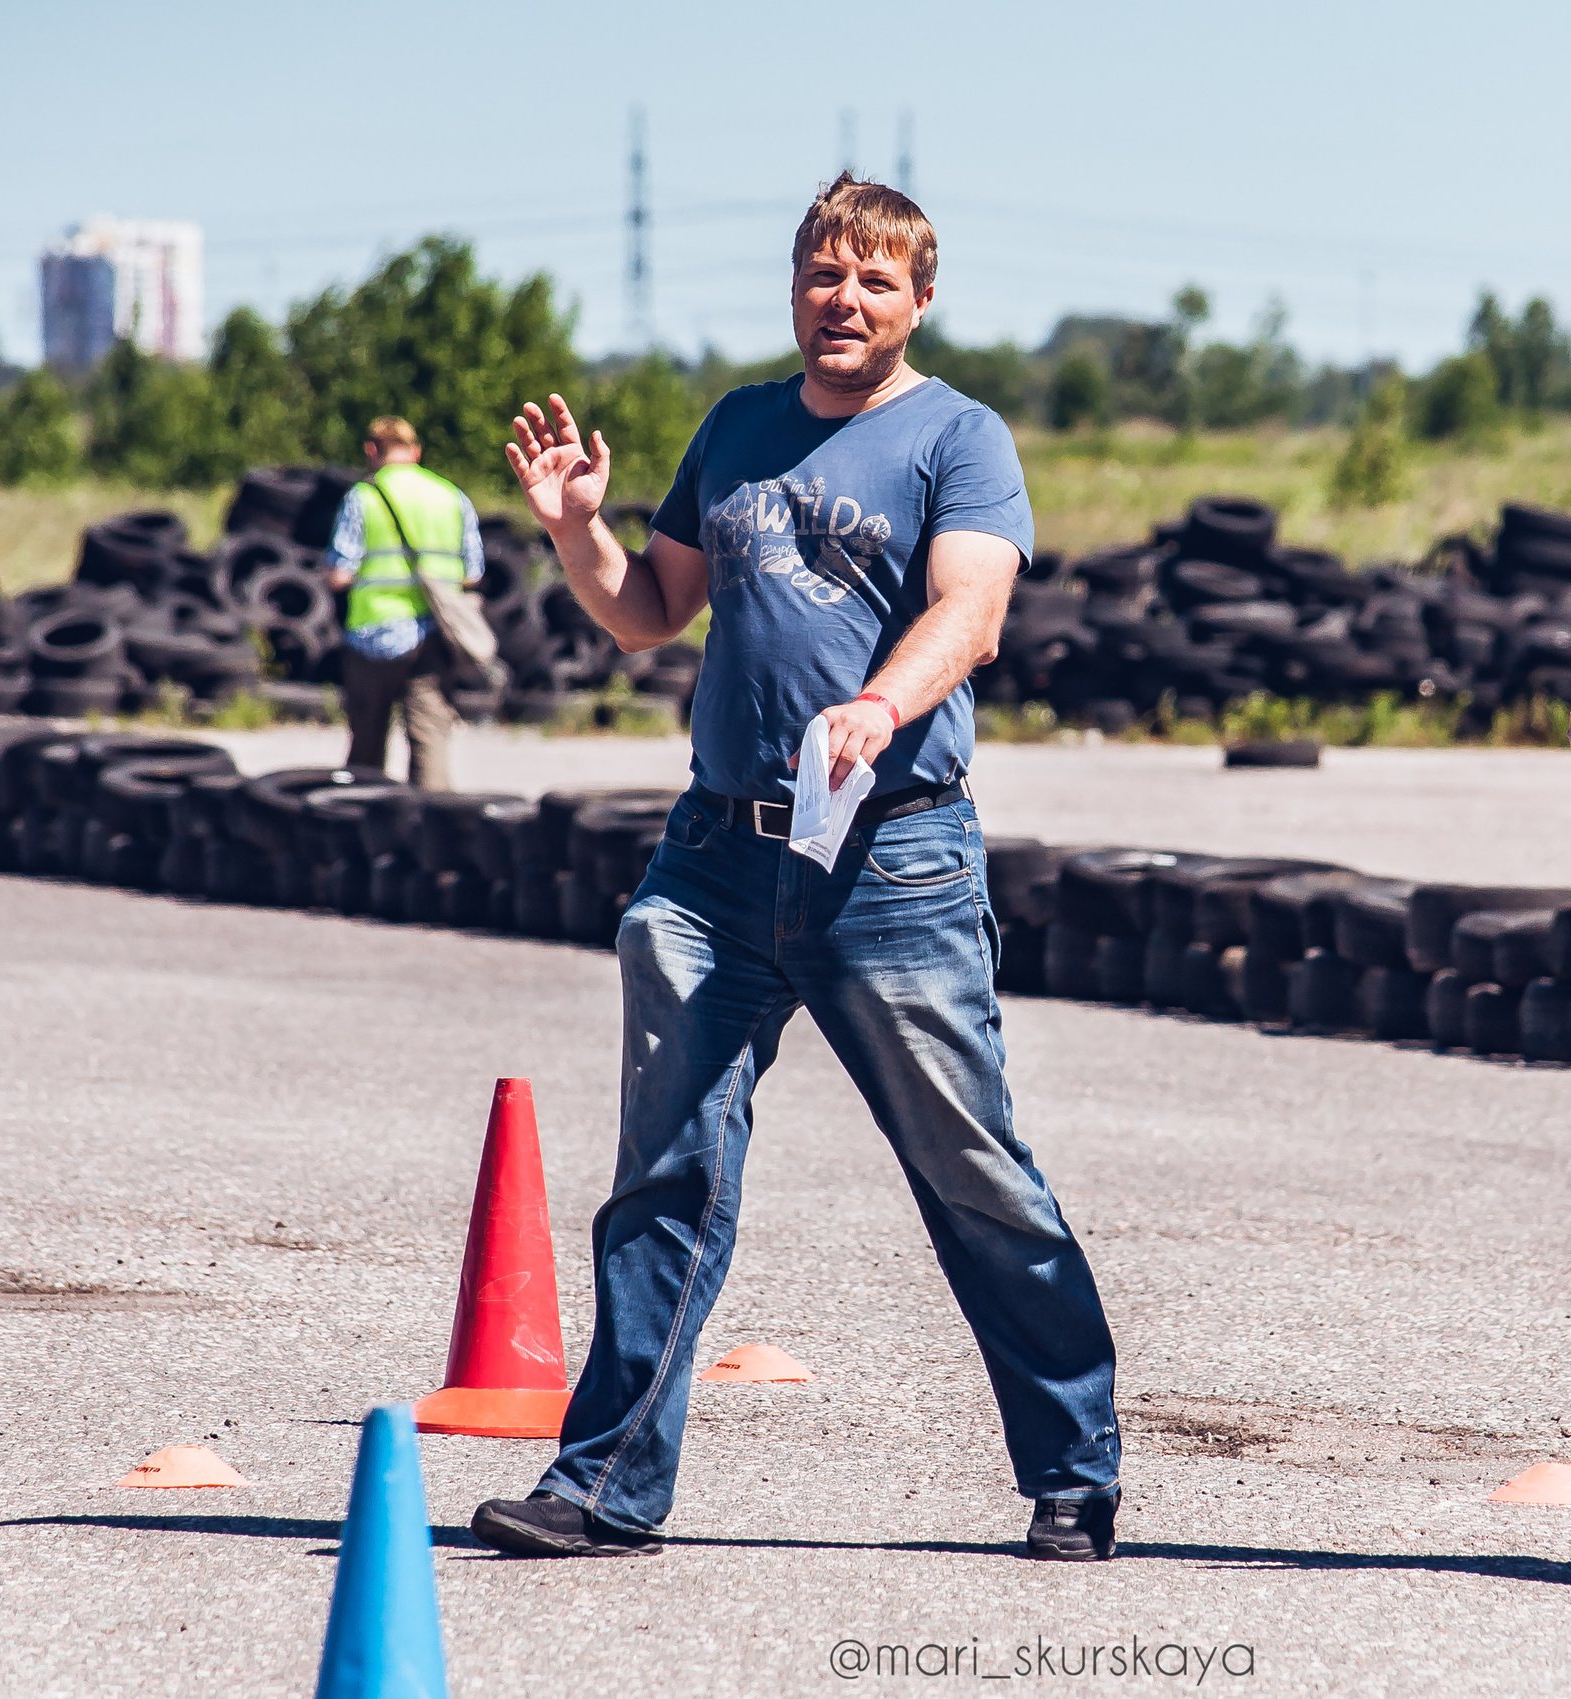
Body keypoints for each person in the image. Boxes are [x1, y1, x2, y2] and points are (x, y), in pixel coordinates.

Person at [468, 174, 1125, 1562]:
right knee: (664, 1173)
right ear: (795, 286)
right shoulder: (740, 427)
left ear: (918, 299)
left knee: (973, 1170)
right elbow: (646, 615)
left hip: (892, 859)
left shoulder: (961, 435)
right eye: (825, 274)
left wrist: (884, 705)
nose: (845, 299)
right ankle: (604, 1487)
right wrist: (573, 523)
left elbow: (973, 603)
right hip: (715, 860)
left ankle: (1074, 1467)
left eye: (875, 281)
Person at [322, 416, 483, 790]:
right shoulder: (452, 496)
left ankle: (362, 831)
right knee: (430, 747)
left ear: (371, 450)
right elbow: (472, 573)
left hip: (373, 637)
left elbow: (339, 574)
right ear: (416, 451)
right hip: (434, 638)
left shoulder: (363, 496)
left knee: (366, 752)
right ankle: (432, 832)